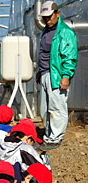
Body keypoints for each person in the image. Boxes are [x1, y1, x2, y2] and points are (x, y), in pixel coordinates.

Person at [37, 1, 78, 151]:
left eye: (49, 17)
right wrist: (40, 72)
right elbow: (44, 54)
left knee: (56, 107)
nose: (47, 20)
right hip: (46, 74)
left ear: (57, 14)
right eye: (44, 18)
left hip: (57, 75)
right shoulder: (46, 31)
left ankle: (56, 138)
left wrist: (66, 76)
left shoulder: (64, 32)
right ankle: (49, 136)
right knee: (45, 108)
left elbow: (70, 56)